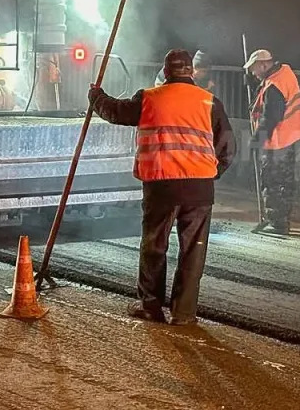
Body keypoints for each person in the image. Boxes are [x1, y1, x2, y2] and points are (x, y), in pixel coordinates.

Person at [89, 49, 236, 325]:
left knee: (154, 246)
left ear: (165, 72)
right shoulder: (210, 102)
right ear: (192, 72)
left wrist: (96, 96)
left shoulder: (148, 98)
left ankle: (151, 307)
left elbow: (115, 112)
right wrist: (210, 173)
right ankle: (184, 314)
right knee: (193, 252)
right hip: (200, 189)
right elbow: (228, 148)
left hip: (161, 186)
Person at [244, 49, 300, 235]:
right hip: (289, 136)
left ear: (264, 65)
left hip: (278, 140)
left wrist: (256, 141)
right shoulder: (285, 71)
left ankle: (278, 223)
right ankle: (281, 220)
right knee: (285, 181)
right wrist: (257, 85)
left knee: (272, 181)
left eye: (254, 69)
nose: (253, 73)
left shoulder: (274, 85)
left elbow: (270, 117)